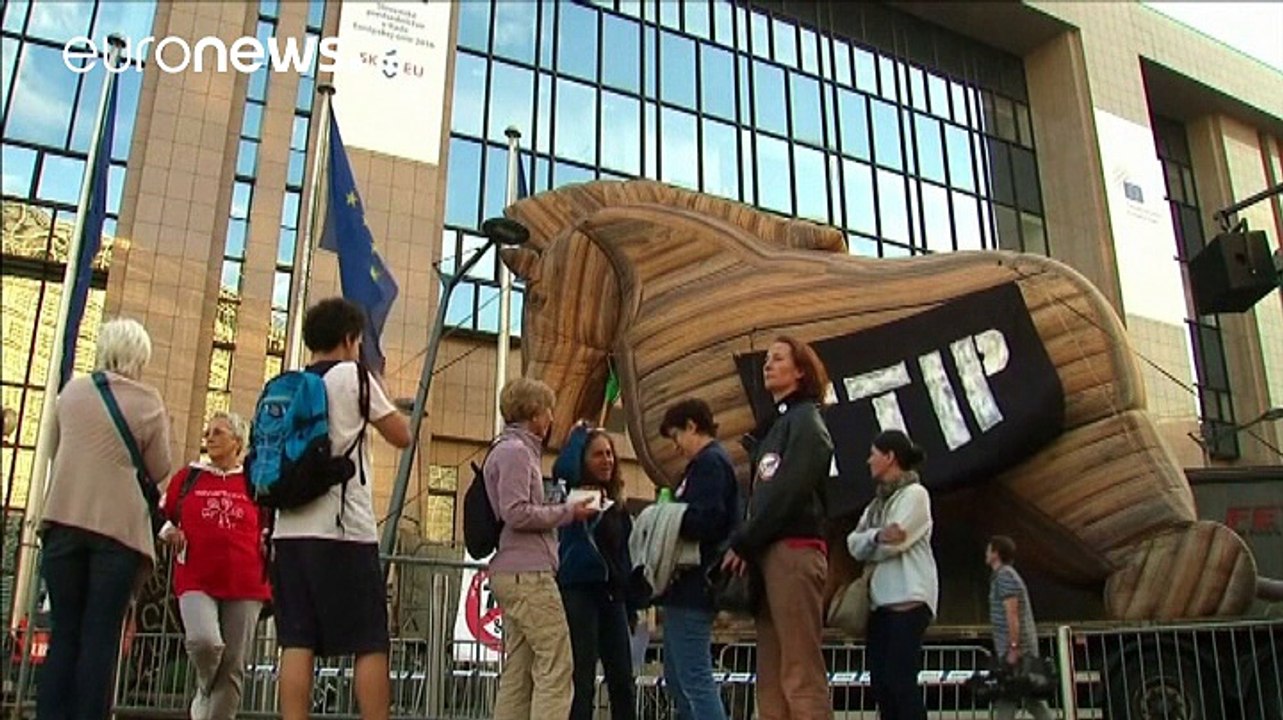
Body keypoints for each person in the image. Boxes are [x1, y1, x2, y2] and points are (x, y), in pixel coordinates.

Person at [270, 298, 412, 720]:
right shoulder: (354, 376)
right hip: (343, 531)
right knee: (369, 639)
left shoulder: (289, 383)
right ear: (351, 339)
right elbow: (402, 435)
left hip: (289, 531)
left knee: (297, 640)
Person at [38, 318, 172, 720]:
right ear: (140, 357)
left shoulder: (73, 392)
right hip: (116, 534)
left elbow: (55, 447)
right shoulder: (148, 401)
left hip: (63, 521)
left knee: (65, 632)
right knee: (100, 635)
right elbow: (160, 466)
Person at [722, 336, 834, 720]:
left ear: (800, 371)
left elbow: (787, 492)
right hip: (767, 552)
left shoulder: (806, 423)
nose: (768, 365)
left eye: (779, 359)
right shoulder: (776, 426)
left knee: (800, 670)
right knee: (770, 674)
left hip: (794, 550)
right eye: (767, 359)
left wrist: (745, 539)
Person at [485, 378, 597, 720]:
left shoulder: (506, 450)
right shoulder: (518, 453)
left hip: (511, 571)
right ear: (534, 413)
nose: (551, 418)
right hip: (529, 573)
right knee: (556, 663)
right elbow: (516, 512)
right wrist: (568, 512)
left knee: (520, 670)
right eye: (548, 410)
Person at [158, 411, 269, 720]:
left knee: (233, 663)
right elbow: (161, 514)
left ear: (237, 442)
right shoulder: (189, 477)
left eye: (218, 432)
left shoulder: (253, 481)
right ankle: (204, 686)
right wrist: (170, 531)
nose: (209, 437)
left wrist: (265, 539)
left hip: (245, 582)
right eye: (208, 432)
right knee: (204, 642)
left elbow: (269, 521)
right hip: (196, 577)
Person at [846, 429, 938, 720]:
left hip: (908, 601)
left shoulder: (915, 495)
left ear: (889, 457)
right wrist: (875, 537)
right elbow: (853, 543)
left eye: (873, 454)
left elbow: (897, 541)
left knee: (901, 683)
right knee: (882, 685)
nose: (868, 460)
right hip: (880, 605)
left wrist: (871, 541)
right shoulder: (876, 505)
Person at [658, 398, 739, 720]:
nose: (676, 447)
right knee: (680, 678)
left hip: (694, 584)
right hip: (685, 587)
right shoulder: (707, 464)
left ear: (692, 426)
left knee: (694, 679)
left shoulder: (710, 464)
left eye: (676, 436)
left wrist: (670, 518)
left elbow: (709, 519)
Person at [554, 423, 638, 720]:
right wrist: (578, 435)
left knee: (623, 680)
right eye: (598, 455)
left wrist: (631, 604)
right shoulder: (576, 498)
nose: (607, 461)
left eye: (610, 454)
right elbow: (562, 469)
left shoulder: (616, 506)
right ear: (583, 461)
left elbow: (624, 557)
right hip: (580, 592)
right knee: (583, 680)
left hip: (612, 597)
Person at [986, 536, 1054, 720]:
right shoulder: (1004, 575)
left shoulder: (1005, 576)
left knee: (1011, 697)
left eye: (989, 550)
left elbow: (1012, 613)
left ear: (996, 554)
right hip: (1017, 650)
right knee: (1025, 697)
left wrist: (1014, 648)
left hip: (1017, 651)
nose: (986, 553)